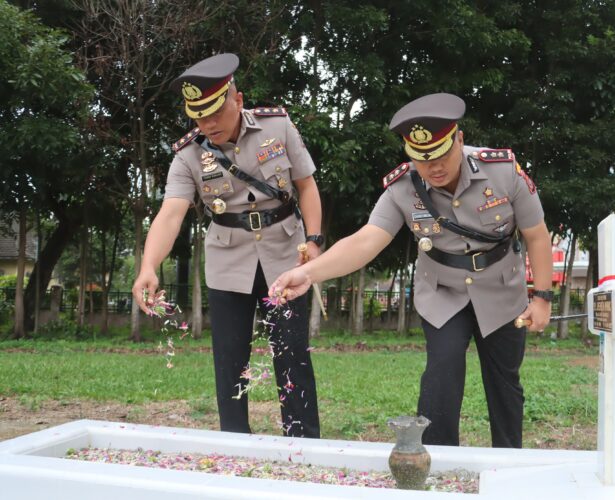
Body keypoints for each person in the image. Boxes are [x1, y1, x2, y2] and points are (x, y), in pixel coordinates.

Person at [270, 93, 552, 448]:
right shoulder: (402, 189)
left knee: (504, 382)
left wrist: (541, 298)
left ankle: (509, 462)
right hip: (442, 292)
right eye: (421, 158)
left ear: (459, 140)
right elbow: (365, 241)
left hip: (502, 288)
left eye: (441, 155)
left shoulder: (501, 170)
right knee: (441, 375)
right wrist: (310, 274)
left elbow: (537, 236)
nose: (433, 167)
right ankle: (433, 461)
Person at [132, 53, 323, 438]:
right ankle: (235, 443)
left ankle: (304, 442)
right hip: (228, 260)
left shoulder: (277, 127)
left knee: (292, 356)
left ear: (237, 100)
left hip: (286, 255)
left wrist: (315, 243)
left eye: (215, 113)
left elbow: (306, 185)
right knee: (230, 361)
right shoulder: (188, 154)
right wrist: (148, 266)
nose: (207, 125)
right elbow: (171, 213)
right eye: (198, 117)